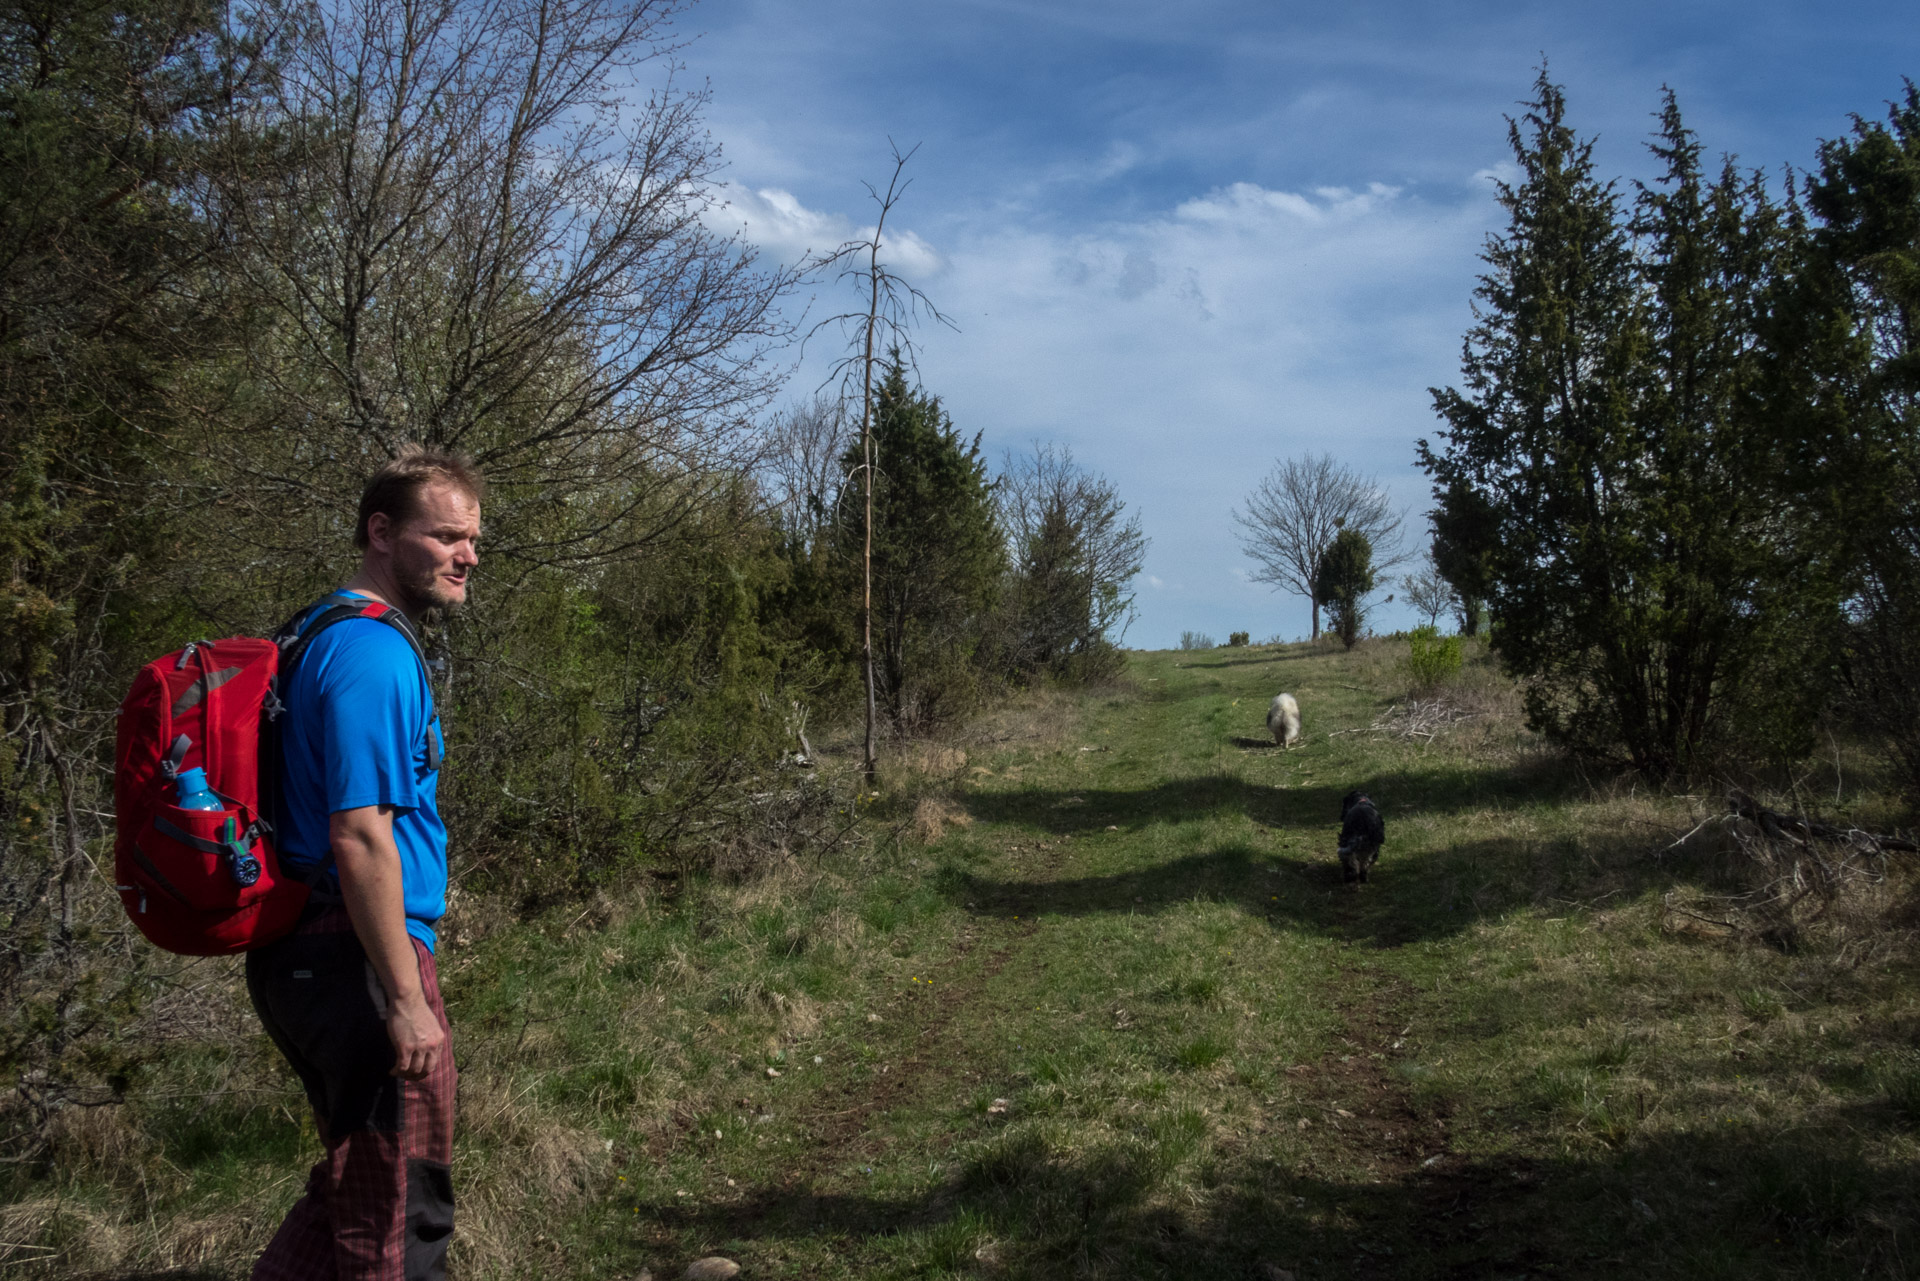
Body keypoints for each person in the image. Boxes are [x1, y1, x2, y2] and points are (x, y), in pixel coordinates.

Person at [245, 446, 483, 1281]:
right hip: (357, 953)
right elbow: (360, 835)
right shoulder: (370, 653)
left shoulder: (307, 633)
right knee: (398, 1214)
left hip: (301, 950)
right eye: (447, 535)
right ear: (382, 533)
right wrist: (407, 1000)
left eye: (472, 538)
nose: (468, 556)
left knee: (353, 1186)